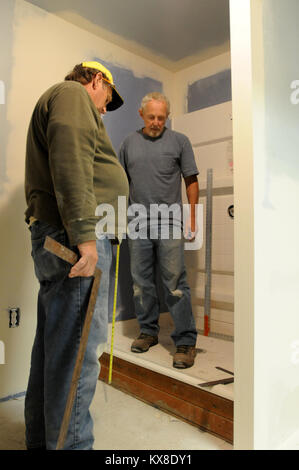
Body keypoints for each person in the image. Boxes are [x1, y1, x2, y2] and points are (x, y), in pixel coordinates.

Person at [24, 61, 129, 450]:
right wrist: (86, 236)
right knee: (77, 359)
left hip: (63, 238)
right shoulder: (71, 95)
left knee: (56, 352)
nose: (104, 109)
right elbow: (71, 160)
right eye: (107, 100)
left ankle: (42, 442)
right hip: (79, 240)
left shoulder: (61, 100)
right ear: (96, 80)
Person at [119, 92, 199, 369]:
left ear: (167, 117)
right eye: (151, 117)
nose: (156, 122)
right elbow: (121, 183)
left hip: (170, 221)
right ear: (141, 115)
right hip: (137, 221)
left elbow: (191, 180)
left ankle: (186, 341)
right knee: (141, 283)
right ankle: (148, 331)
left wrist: (191, 217)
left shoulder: (180, 142)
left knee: (175, 284)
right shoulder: (128, 143)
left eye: (161, 118)